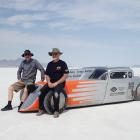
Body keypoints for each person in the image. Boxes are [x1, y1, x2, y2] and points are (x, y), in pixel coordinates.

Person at [37, 48, 69, 118]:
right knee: (40, 92)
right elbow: (47, 75)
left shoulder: (63, 63)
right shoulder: (49, 64)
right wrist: (48, 82)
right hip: (50, 82)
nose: (54, 55)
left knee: (56, 93)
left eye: (55, 54)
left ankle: (56, 111)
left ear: (59, 55)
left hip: (60, 83)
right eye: (53, 54)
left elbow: (65, 75)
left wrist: (56, 83)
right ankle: (41, 109)